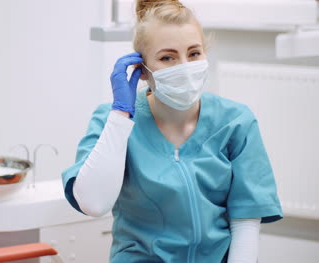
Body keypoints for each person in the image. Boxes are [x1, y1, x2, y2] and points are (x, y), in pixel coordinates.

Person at [61, 0, 283, 262]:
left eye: (194, 53)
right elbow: (94, 204)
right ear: (141, 69)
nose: (184, 66)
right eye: (167, 57)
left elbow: (245, 222)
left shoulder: (235, 122)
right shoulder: (112, 121)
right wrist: (121, 115)